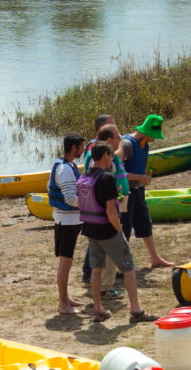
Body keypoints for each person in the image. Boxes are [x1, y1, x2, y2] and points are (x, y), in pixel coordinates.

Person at [78, 141, 153, 322]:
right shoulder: (108, 178)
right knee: (128, 266)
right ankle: (135, 310)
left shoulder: (83, 176)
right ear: (105, 155)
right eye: (111, 156)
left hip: (90, 229)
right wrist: (119, 230)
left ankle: (98, 308)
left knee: (96, 268)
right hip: (107, 229)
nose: (112, 159)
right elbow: (111, 211)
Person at [81, 125, 130, 296]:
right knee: (111, 259)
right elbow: (105, 201)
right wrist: (118, 228)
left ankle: (101, 293)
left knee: (99, 261)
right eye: (118, 137)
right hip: (105, 216)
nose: (120, 140)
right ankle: (105, 288)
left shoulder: (103, 157)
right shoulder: (102, 170)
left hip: (99, 216)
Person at [126, 115, 175, 268]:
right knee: (125, 228)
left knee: (145, 223)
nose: (155, 139)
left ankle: (155, 258)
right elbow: (116, 172)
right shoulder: (127, 144)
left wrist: (142, 180)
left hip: (139, 191)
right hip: (126, 193)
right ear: (146, 132)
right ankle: (121, 264)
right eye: (153, 136)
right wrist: (140, 177)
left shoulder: (145, 144)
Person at [50, 134, 89, 315]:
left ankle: (66, 299)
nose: (83, 150)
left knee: (67, 261)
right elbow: (71, 199)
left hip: (68, 220)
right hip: (66, 221)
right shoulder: (65, 170)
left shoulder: (65, 165)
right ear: (74, 148)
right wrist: (92, 202)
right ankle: (62, 305)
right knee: (65, 262)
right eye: (81, 146)